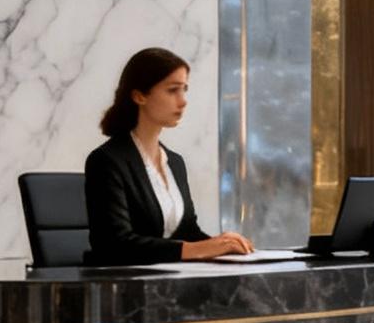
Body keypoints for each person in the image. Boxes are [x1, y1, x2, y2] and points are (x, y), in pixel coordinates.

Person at [84, 48, 253, 265]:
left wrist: (223, 245)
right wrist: (201, 248)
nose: (183, 101)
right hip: (127, 282)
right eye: (173, 90)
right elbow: (115, 244)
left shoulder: (174, 162)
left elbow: (188, 233)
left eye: (184, 90)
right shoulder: (106, 160)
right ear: (139, 96)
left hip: (170, 280)